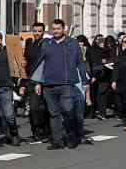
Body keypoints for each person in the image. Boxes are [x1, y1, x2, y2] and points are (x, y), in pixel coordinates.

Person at [37, 19, 88, 150]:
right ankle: (58, 141)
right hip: (48, 84)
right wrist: (37, 82)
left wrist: (85, 81)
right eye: (53, 29)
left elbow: (80, 63)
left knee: (67, 111)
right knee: (54, 114)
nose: (55, 31)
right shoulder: (47, 43)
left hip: (66, 83)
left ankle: (72, 138)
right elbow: (40, 64)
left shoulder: (72, 43)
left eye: (58, 29)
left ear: (63, 29)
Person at [22, 22, 50, 143]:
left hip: (41, 80)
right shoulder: (29, 43)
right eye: (35, 31)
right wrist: (22, 83)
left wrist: (40, 81)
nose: (37, 33)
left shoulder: (46, 44)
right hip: (30, 79)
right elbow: (24, 62)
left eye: (39, 31)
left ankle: (44, 131)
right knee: (33, 108)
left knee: (42, 107)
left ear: (43, 32)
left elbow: (45, 63)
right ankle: (36, 132)